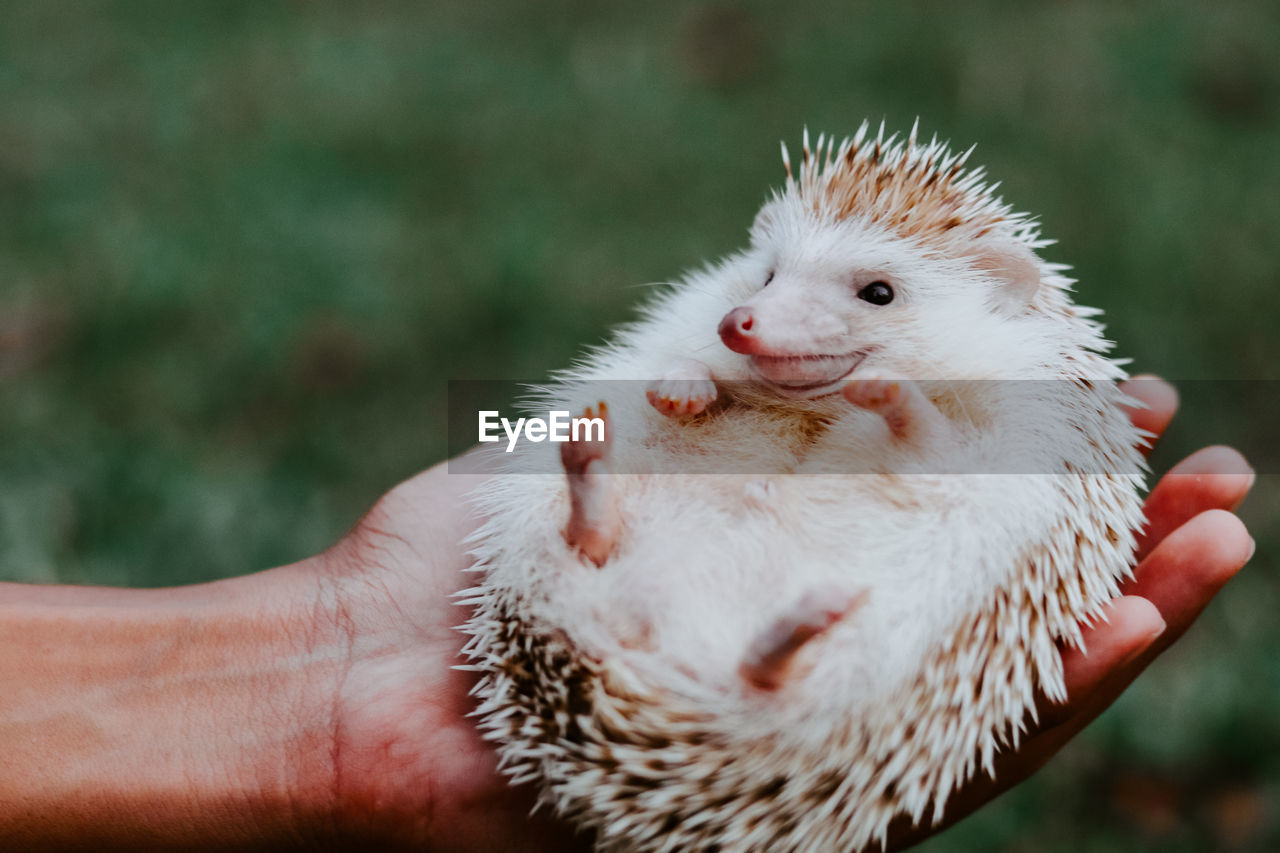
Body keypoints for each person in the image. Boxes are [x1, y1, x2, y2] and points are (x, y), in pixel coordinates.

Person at [0, 378, 1254, 851]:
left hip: (738, 597)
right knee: (617, 542)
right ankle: (747, 633)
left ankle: (769, 651)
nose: (763, 322)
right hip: (684, 583)